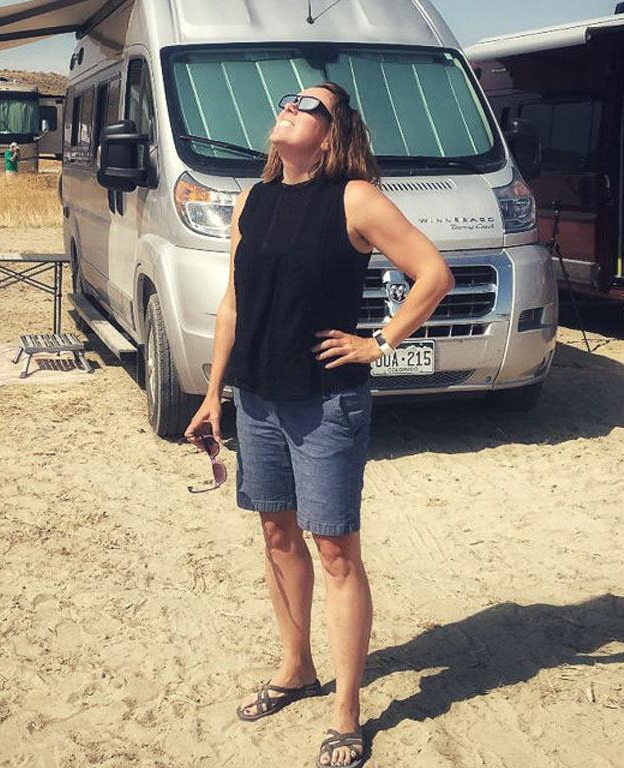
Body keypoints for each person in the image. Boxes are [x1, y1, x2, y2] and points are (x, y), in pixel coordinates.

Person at [184, 82, 454, 768]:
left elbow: (432, 274)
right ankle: (297, 667)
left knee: (335, 550)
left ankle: (346, 709)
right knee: (277, 535)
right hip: (260, 397)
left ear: (331, 134)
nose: (288, 107)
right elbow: (233, 306)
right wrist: (213, 394)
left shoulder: (355, 198)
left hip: (327, 400)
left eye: (307, 105)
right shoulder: (254, 199)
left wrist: (380, 343)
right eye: (287, 99)